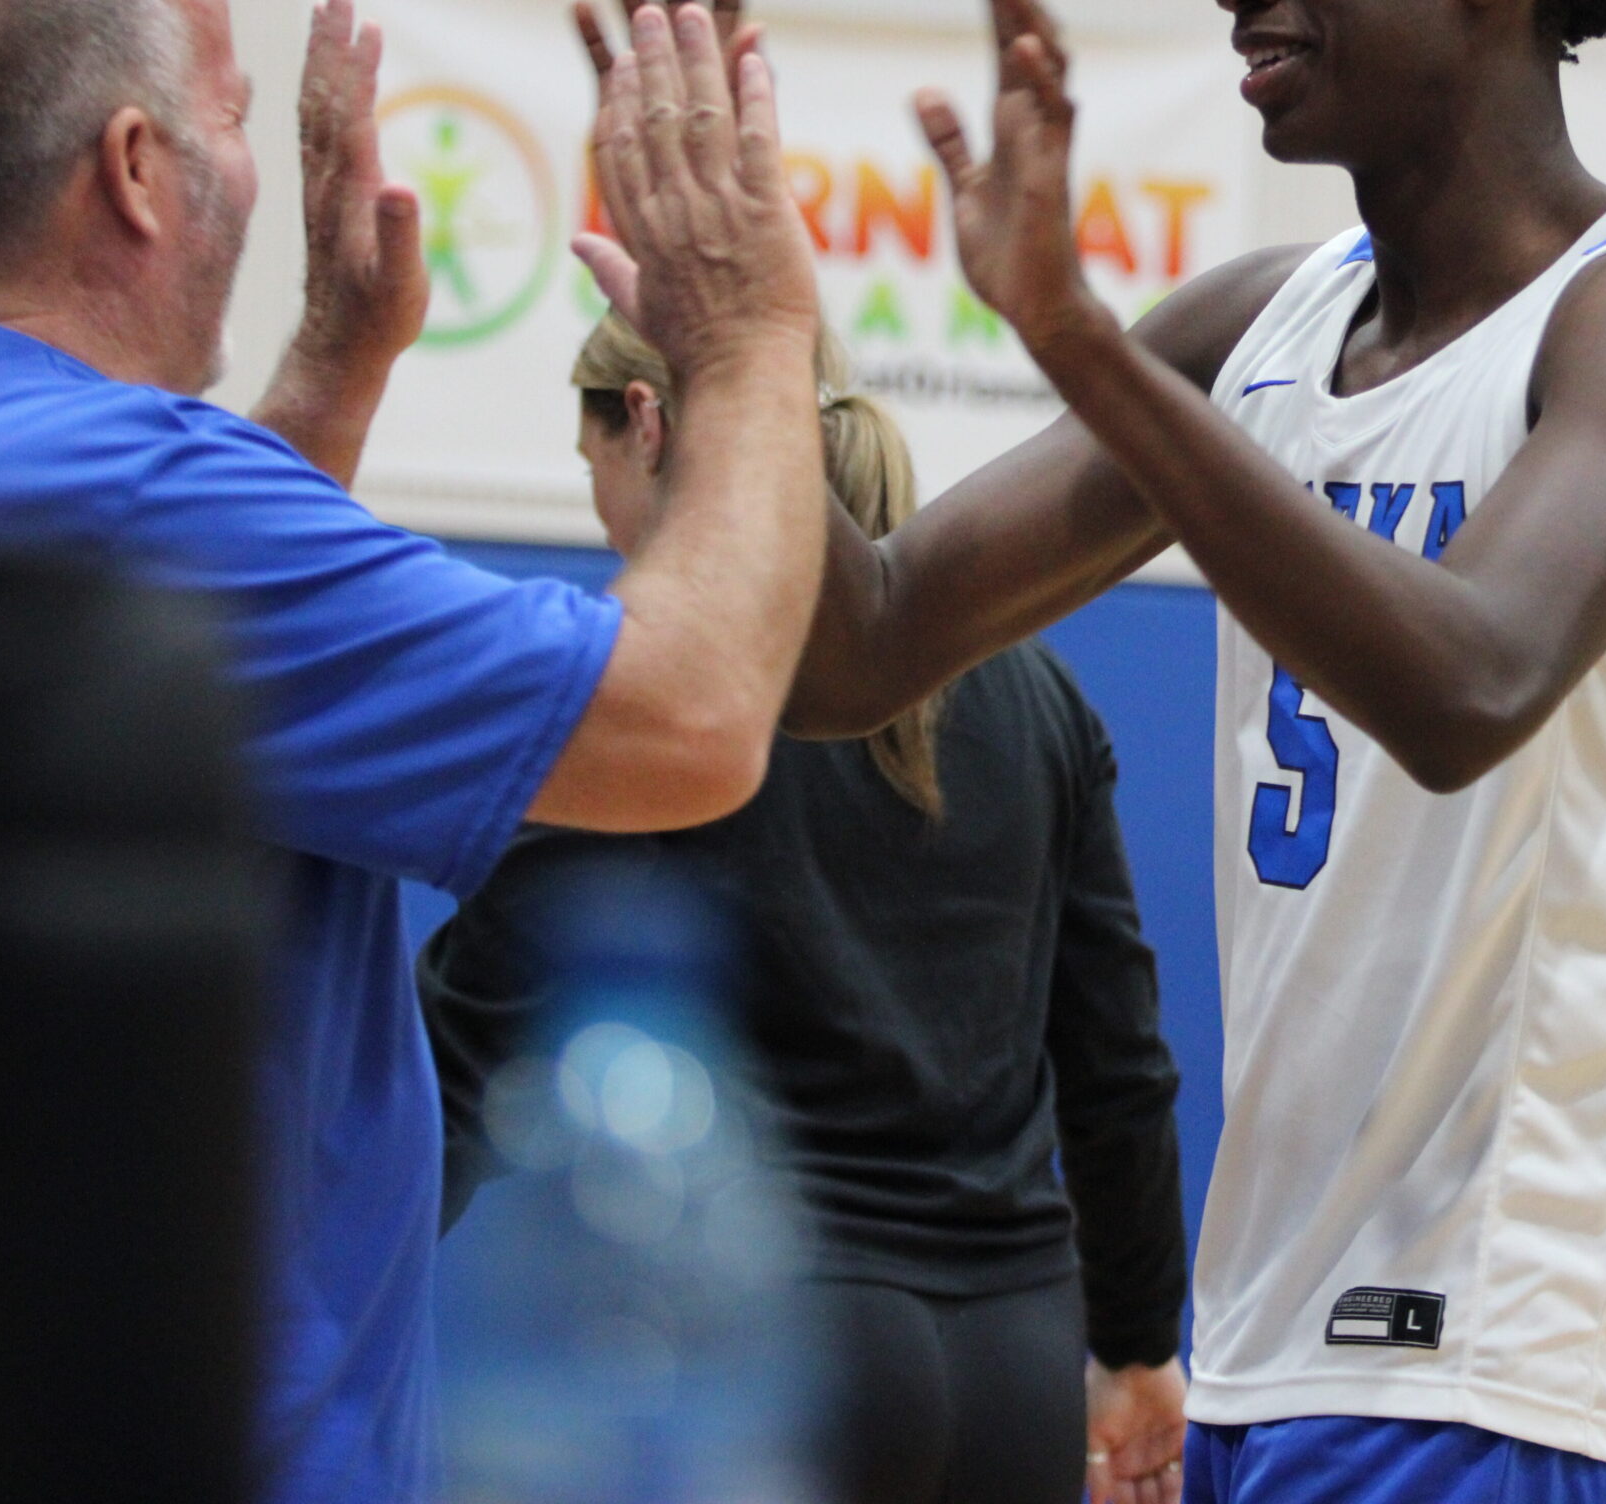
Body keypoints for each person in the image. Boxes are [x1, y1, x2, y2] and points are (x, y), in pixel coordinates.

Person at [775, 0, 1606, 1503]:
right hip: (1252, 1358)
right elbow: (865, 646)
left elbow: (1463, 686)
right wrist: (747, 346)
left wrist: (1075, 337)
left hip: (1497, 1368)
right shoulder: (1261, 322)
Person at [0, 0, 828, 1503]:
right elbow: (683, 717)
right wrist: (755, 327)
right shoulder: (131, 483)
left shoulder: (21, 473)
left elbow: (168, 667)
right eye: (223, 120)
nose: (247, 174)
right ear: (135, 171)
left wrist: (333, 370)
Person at [419, 318, 1193, 1504]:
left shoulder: (666, 697)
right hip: (1014, 1368)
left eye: (599, 484)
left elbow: (480, 1022)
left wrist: (330, 1256)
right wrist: (1138, 1341)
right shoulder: (1039, 693)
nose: (609, 528)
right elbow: (1118, 1062)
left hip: (788, 1352)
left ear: (645, 423)